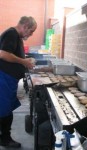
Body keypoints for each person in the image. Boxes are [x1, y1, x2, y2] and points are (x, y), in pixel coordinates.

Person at [0, 16, 37, 148]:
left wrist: (26, 60)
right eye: (31, 31)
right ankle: (4, 139)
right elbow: (3, 54)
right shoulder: (11, 33)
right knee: (3, 110)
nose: (31, 34)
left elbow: (14, 54)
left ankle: (5, 136)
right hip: (3, 79)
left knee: (7, 109)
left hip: (9, 80)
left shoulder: (17, 37)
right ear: (25, 26)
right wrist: (24, 62)